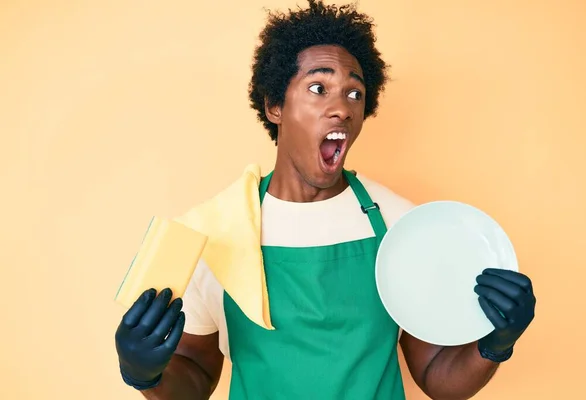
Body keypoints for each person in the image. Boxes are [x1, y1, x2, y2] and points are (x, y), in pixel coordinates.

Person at [114, 1, 537, 399]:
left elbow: (436, 374)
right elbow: (196, 377)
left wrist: (495, 344)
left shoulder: (397, 223)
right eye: (319, 87)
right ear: (275, 105)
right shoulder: (214, 233)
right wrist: (145, 372)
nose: (342, 108)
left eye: (355, 93)